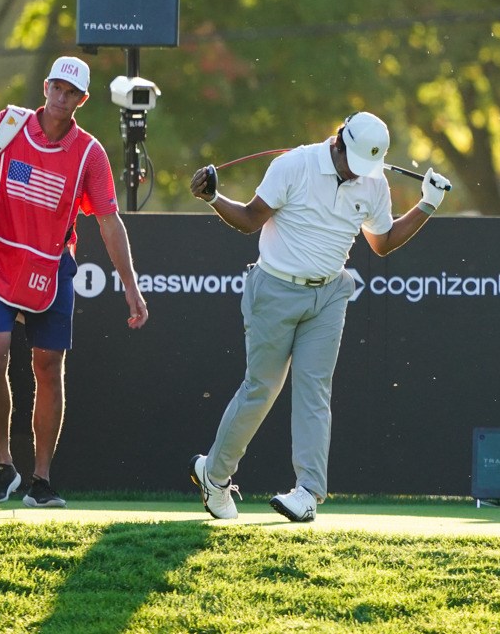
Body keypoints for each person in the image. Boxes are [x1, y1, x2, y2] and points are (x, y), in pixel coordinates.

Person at [185, 112, 450, 522]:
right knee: (261, 389)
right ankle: (214, 476)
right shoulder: (294, 165)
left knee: (314, 391)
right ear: (338, 141)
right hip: (274, 289)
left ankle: (308, 493)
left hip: (329, 294)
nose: (356, 173)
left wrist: (426, 205)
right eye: (352, 163)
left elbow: (381, 242)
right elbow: (251, 220)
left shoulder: (373, 181)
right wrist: (214, 198)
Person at [0, 55, 149, 508]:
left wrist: (131, 287)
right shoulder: (8, 124)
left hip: (52, 267)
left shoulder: (90, 152)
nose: (61, 98)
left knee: (48, 366)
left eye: (71, 93)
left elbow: (109, 222)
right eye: (57, 87)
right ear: (45, 87)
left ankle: (41, 479)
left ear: (82, 100)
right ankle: (3, 465)